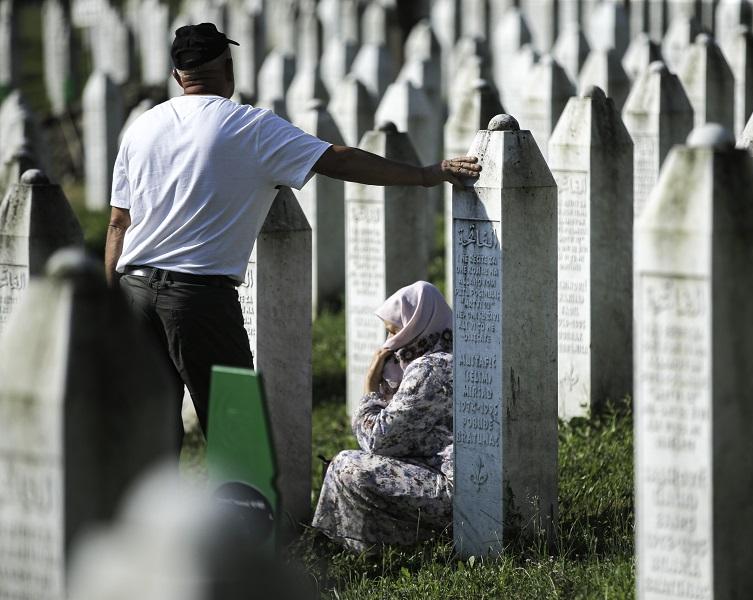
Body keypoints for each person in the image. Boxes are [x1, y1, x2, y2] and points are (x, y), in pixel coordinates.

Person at [103, 23, 479, 442]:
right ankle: (246, 510)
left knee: (150, 429)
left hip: (131, 294)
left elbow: (119, 223)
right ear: (229, 68)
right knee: (235, 430)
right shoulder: (249, 127)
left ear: (177, 77)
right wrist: (428, 174)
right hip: (197, 300)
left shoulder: (139, 129)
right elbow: (338, 160)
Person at [312, 281, 454, 553]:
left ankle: (336, 546)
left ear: (416, 328)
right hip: (452, 476)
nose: (389, 345)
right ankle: (347, 545)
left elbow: (379, 440)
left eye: (395, 332)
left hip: (448, 491)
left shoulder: (428, 371)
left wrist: (369, 388)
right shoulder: (449, 354)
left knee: (346, 465)